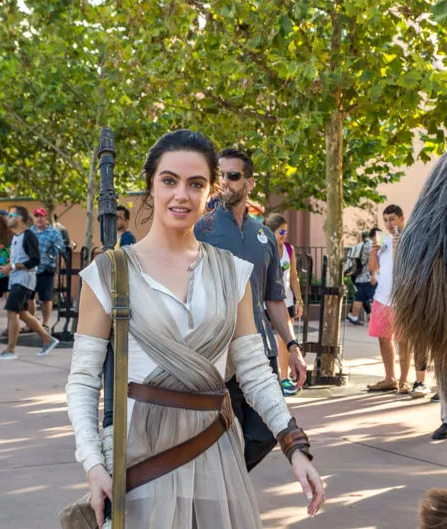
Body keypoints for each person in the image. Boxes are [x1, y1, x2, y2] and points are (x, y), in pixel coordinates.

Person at [66, 129, 324, 528]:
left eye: (196, 183)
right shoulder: (109, 273)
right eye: (169, 181)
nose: (181, 195)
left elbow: (254, 371)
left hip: (215, 453)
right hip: (139, 457)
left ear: (212, 192)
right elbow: (84, 380)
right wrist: (93, 463)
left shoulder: (231, 272)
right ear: (151, 186)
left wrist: (293, 443)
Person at [195, 147, 307, 471]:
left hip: (262, 348)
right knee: (225, 433)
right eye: (221, 176)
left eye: (234, 176)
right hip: (219, 352)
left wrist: (293, 346)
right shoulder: (201, 230)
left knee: (264, 431)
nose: (226, 183)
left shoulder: (264, 236)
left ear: (249, 183)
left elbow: (274, 298)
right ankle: (222, 497)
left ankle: (226, 481)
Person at [367, 204, 431, 398]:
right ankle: (390, 379)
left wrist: (397, 247)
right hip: (382, 296)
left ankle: (405, 380)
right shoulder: (385, 240)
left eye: (392, 219)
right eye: (386, 220)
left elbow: (402, 267)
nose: (389, 223)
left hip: (402, 298)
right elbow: (373, 268)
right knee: (383, 338)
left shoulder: (411, 239)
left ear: (402, 218)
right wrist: (374, 250)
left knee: (403, 340)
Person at [0, 206, 60, 361]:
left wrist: (13, 267)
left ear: (19, 218)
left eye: (10, 215)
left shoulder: (28, 236)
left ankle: (10, 350)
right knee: (21, 313)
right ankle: (48, 339)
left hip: (24, 281)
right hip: (16, 279)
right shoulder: (17, 236)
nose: (7, 219)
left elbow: (35, 260)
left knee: (11, 311)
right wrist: (8, 267)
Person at [264, 213, 304, 397]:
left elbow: (294, 276)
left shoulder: (289, 249)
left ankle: (284, 377)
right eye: (281, 231)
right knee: (263, 340)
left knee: (285, 340)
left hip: (285, 300)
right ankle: (266, 378)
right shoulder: (263, 249)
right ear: (270, 232)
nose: (284, 235)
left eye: (286, 231)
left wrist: (298, 299)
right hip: (266, 302)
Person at [29, 208, 65, 331]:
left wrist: (58, 273)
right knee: (29, 298)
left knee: (46, 298)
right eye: (36, 216)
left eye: (41, 216)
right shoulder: (29, 232)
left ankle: (45, 324)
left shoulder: (54, 233)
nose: (39, 219)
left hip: (46, 270)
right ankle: (32, 323)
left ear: (46, 218)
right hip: (29, 270)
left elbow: (60, 254)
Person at [346, 228, 377, 325]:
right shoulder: (369, 245)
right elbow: (376, 255)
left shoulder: (359, 245)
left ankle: (355, 317)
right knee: (374, 297)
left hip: (359, 276)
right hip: (368, 276)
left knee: (361, 297)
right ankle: (370, 318)